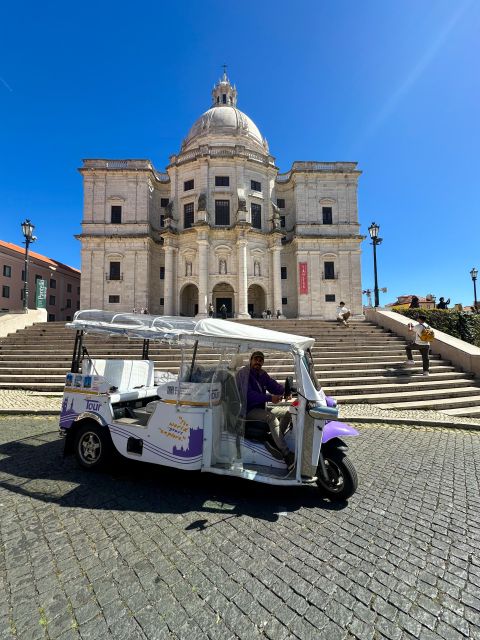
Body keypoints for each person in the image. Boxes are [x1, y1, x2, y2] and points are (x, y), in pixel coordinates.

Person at [236, 351, 294, 470]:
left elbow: (273, 385)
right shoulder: (244, 374)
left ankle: (275, 440)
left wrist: (285, 392)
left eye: (260, 360)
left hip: (260, 408)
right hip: (247, 409)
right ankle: (286, 454)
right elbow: (249, 395)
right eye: (256, 359)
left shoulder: (262, 374)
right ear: (251, 360)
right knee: (271, 418)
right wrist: (270, 398)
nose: (258, 362)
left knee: (289, 412)